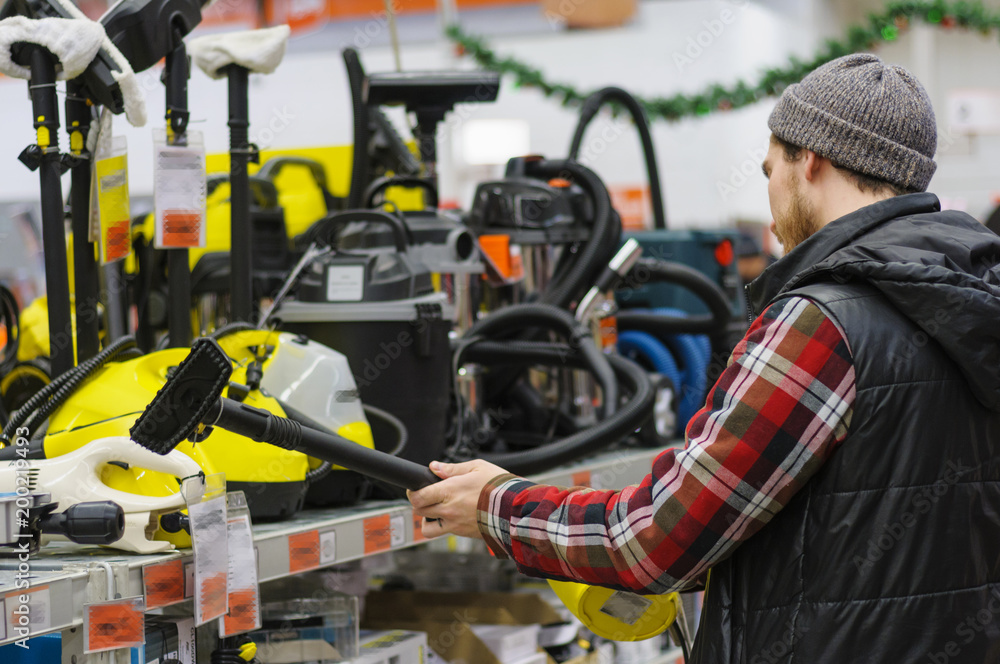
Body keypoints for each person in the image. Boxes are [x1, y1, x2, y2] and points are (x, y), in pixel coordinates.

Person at [408, 53, 1000, 663]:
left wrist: (495, 505)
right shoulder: (974, 299)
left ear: (811, 161)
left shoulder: (822, 322)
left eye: (771, 169)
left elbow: (655, 541)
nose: (769, 200)